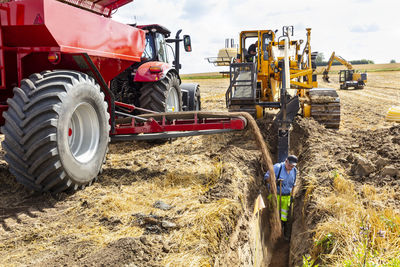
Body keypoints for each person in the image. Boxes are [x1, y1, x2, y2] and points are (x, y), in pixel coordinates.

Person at [264, 155, 298, 237]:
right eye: (289, 165)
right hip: (276, 196)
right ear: (286, 161)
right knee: (274, 216)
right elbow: (266, 178)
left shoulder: (294, 171)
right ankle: (272, 235)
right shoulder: (277, 167)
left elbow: (293, 184)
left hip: (286, 198)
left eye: (292, 166)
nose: (290, 167)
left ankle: (284, 235)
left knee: (284, 217)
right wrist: (274, 181)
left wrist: (292, 196)